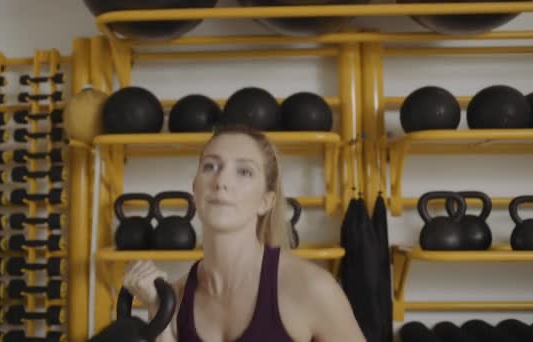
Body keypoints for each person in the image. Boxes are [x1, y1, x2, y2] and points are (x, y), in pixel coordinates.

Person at [123, 125, 365, 342]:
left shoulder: (311, 289)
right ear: (195, 190)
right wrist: (158, 309)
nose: (221, 181)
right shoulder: (175, 298)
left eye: (244, 172)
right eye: (210, 166)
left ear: (266, 201)